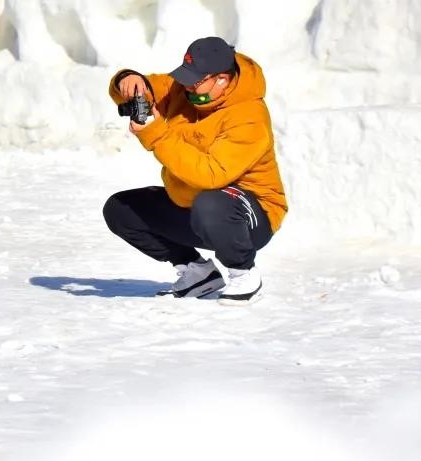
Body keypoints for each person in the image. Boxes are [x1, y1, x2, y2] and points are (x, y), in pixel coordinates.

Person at [103, 37, 287, 304]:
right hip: (195, 206)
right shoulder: (186, 89)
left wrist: (156, 135)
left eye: (196, 80)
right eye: (185, 77)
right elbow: (151, 87)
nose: (187, 85)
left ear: (222, 79)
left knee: (211, 202)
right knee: (121, 210)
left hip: (249, 216)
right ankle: (197, 272)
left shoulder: (249, 116)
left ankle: (243, 272)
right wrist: (128, 80)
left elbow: (211, 175)